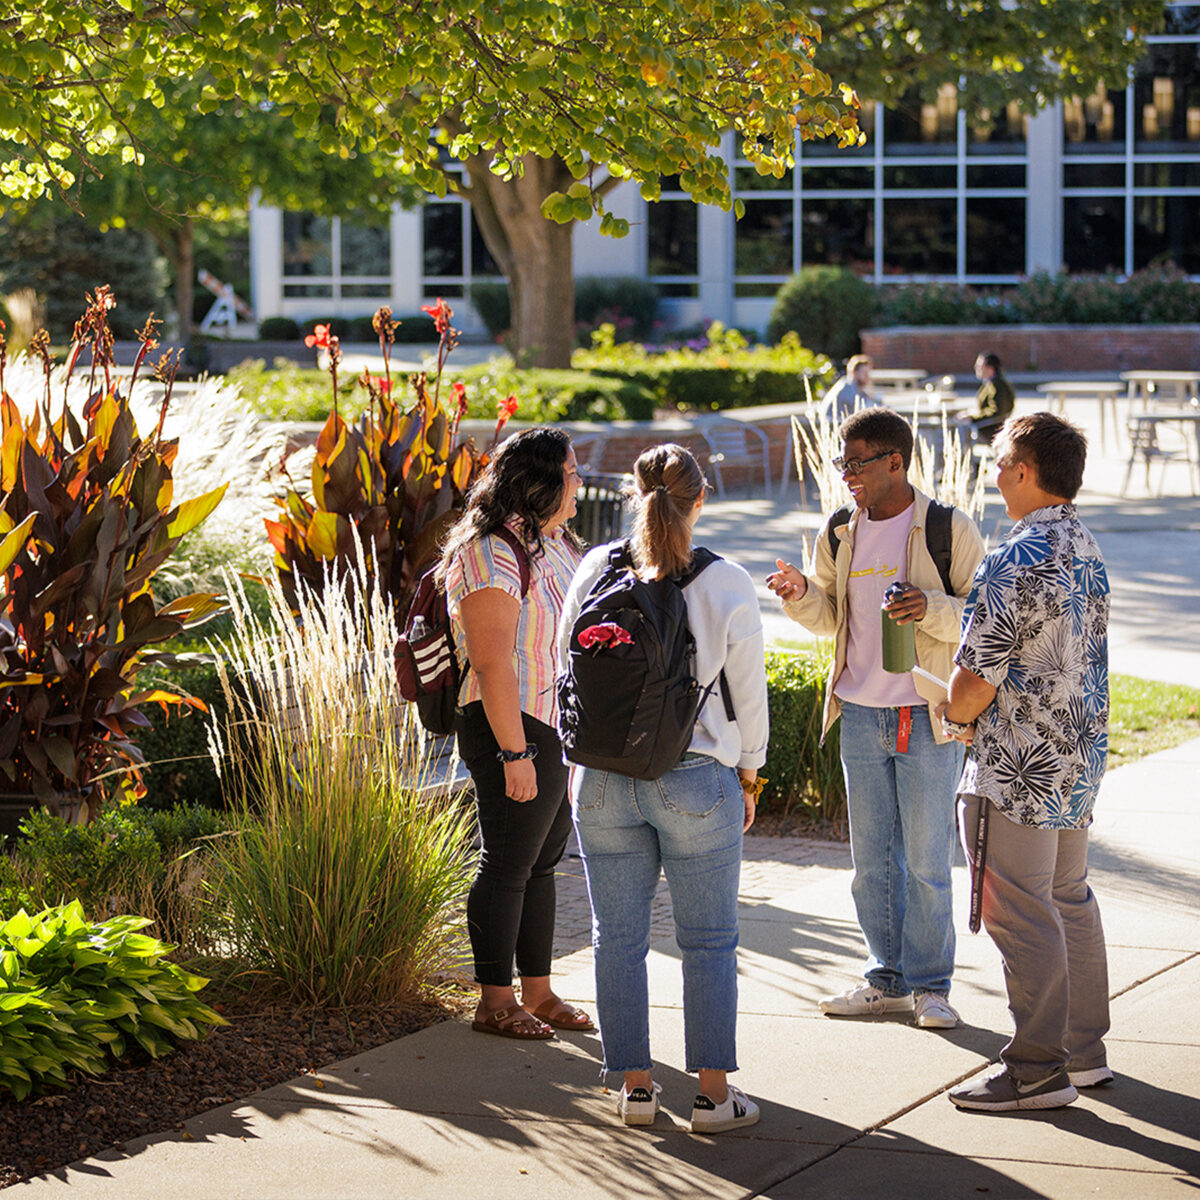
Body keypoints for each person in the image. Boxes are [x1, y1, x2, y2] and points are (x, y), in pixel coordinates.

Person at [558, 444, 769, 1133]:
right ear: (700, 500)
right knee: (708, 941)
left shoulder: (594, 567)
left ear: (630, 493)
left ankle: (635, 1090)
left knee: (616, 939)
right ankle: (712, 1097)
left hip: (601, 779)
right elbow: (750, 696)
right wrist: (750, 772)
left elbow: (567, 668)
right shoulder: (727, 581)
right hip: (695, 777)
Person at [766, 408, 985, 1030]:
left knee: (925, 858)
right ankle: (884, 979)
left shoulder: (948, 528)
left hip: (927, 713)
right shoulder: (839, 530)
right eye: (842, 462)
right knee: (871, 863)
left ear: (895, 461)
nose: (846, 474)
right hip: (860, 712)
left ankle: (931, 986)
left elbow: (985, 618)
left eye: (856, 462)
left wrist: (930, 607)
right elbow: (834, 616)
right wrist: (801, 595)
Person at [938, 413, 1111, 1113]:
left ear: (1027, 470)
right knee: (1069, 899)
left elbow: (976, 680)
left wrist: (951, 716)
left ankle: (1038, 1068)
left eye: (1004, 458)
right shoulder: (1085, 545)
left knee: (1022, 912)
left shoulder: (1014, 558)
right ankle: (1085, 1054)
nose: (996, 469)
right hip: (1077, 756)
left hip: (1017, 767)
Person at [438, 426, 594, 1040]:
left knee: (543, 863)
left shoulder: (552, 543)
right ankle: (494, 1002)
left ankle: (539, 993)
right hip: (511, 723)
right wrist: (514, 753)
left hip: (552, 723)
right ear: (541, 482)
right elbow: (492, 662)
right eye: (572, 473)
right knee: (507, 863)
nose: (579, 484)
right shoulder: (489, 552)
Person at [970, 352, 1015, 445]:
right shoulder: (990, 383)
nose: (976, 368)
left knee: (960, 428)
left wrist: (973, 418)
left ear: (990, 368)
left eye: (979, 365)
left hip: (990, 427)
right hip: (987, 424)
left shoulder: (997, 386)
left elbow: (996, 411)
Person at [823, 355, 874, 423]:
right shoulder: (847, 389)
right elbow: (865, 408)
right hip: (834, 426)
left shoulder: (847, 385)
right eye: (865, 373)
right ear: (854, 373)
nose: (868, 377)